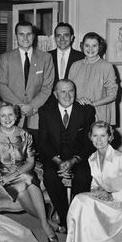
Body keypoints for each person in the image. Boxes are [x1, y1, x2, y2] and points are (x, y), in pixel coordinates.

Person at [0, 101, 59, 242]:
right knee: (22, 189)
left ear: (16, 116)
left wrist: (12, 175)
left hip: (24, 168)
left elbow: (30, 163)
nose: (7, 118)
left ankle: (45, 224)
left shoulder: (25, 135)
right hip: (3, 171)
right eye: (3, 115)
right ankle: (47, 223)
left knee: (28, 178)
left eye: (10, 114)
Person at [66, 121, 122, 242]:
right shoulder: (92, 158)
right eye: (95, 136)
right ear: (90, 137)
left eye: (103, 135)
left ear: (110, 137)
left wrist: (113, 196)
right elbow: (95, 184)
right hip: (108, 201)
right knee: (80, 200)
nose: (99, 140)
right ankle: (80, 240)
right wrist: (98, 190)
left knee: (82, 200)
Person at [38, 79, 95, 233]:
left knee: (83, 176)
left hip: (77, 158)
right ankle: (64, 217)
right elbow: (43, 143)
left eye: (71, 91)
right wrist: (58, 161)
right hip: (54, 158)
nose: (67, 95)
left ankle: (76, 216)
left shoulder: (86, 111)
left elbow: (89, 143)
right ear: (56, 94)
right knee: (50, 177)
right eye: (63, 91)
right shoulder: (45, 111)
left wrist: (73, 160)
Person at [0, 21, 54, 145]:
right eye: (21, 34)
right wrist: (20, 106)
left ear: (33, 36)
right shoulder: (5, 58)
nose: (25, 38)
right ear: (16, 36)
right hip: (13, 116)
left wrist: (32, 106)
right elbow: (2, 85)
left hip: (37, 115)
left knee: (35, 153)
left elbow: (47, 87)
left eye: (28, 34)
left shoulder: (46, 58)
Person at [69, 32, 118, 125]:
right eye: (87, 45)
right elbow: (69, 90)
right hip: (77, 113)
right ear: (82, 46)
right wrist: (77, 100)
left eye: (94, 46)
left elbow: (112, 95)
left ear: (100, 47)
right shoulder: (75, 65)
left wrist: (92, 104)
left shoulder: (107, 66)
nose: (90, 49)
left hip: (99, 115)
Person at [49, 22, 85, 89]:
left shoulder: (82, 57)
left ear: (71, 38)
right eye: (58, 36)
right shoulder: (47, 57)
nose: (62, 39)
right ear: (55, 38)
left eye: (66, 35)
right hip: (51, 98)